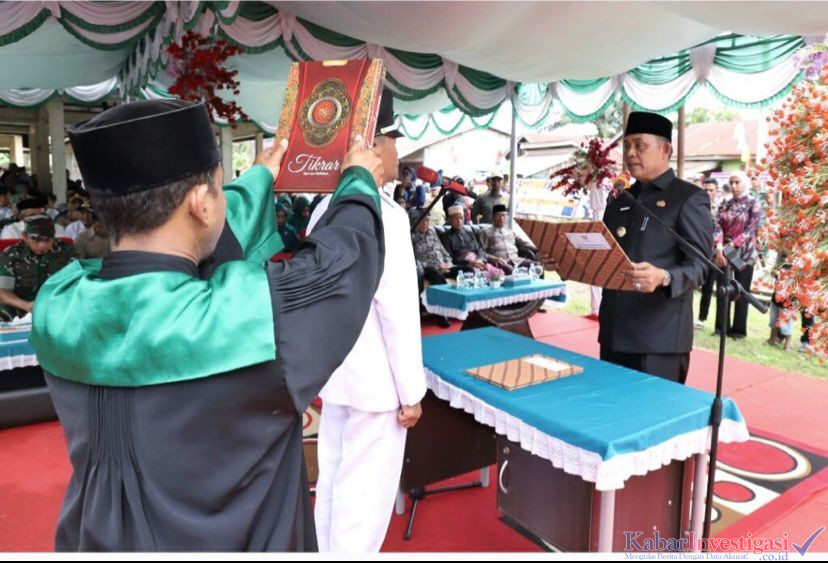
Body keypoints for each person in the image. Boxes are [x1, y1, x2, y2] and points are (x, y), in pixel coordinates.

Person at [30, 99, 386, 551]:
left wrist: (260, 177)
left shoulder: (59, 303)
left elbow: (197, 237)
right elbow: (342, 263)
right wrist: (358, 181)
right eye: (220, 187)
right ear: (202, 203)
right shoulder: (250, 318)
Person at [307, 90, 426, 552]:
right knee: (362, 504)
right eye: (393, 139)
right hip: (377, 386)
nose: (397, 151)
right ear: (374, 145)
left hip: (338, 374)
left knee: (333, 488)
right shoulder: (385, 214)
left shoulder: (324, 208)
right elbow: (397, 311)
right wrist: (411, 392)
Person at [599, 111, 713, 384]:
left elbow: (701, 266)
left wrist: (665, 277)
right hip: (614, 331)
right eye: (627, 146)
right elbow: (604, 253)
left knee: (653, 411)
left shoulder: (688, 198)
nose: (630, 153)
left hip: (658, 339)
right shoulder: (620, 199)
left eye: (640, 145)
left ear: (665, 150)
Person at [713, 171, 761, 340]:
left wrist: (733, 244)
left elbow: (751, 229)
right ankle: (721, 327)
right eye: (731, 182)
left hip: (745, 253)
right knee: (723, 288)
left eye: (737, 182)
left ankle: (738, 331)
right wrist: (719, 245)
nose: (733, 186)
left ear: (744, 183)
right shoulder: (724, 203)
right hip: (723, 252)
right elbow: (716, 224)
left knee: (742, 291)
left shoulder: (753, 203)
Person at [0, 215, 76, 321]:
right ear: (24, 236)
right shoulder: (11, 255)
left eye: (47, 240)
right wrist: (27, 306)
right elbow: (3, 292)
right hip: (21, 307)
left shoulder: (67, 251)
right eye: (35, 239)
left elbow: (78, 283)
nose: (42, 245)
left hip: (59, 306)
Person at [695, 177, 722, 330]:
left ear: (716, 191)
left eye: (711, 190)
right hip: (699, 250)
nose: (708, 193)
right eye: (705, 190)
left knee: (710, 286)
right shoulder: (697, 206)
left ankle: (703, 318)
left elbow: (720, 229)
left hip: (716, 252)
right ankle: (694, 316)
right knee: (696, 283)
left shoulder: (722, 208)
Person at [481, 204, 537, 274]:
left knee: (536, 266)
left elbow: (522, 242)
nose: (501, 218)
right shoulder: (486, 232)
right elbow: (481, 252)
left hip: (516, 260)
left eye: (503, 215)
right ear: (493, 217)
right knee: (510, 270)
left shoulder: (510, 231)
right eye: (498, 215)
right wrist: (492, 258)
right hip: (500, 262)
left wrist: (535, 246)